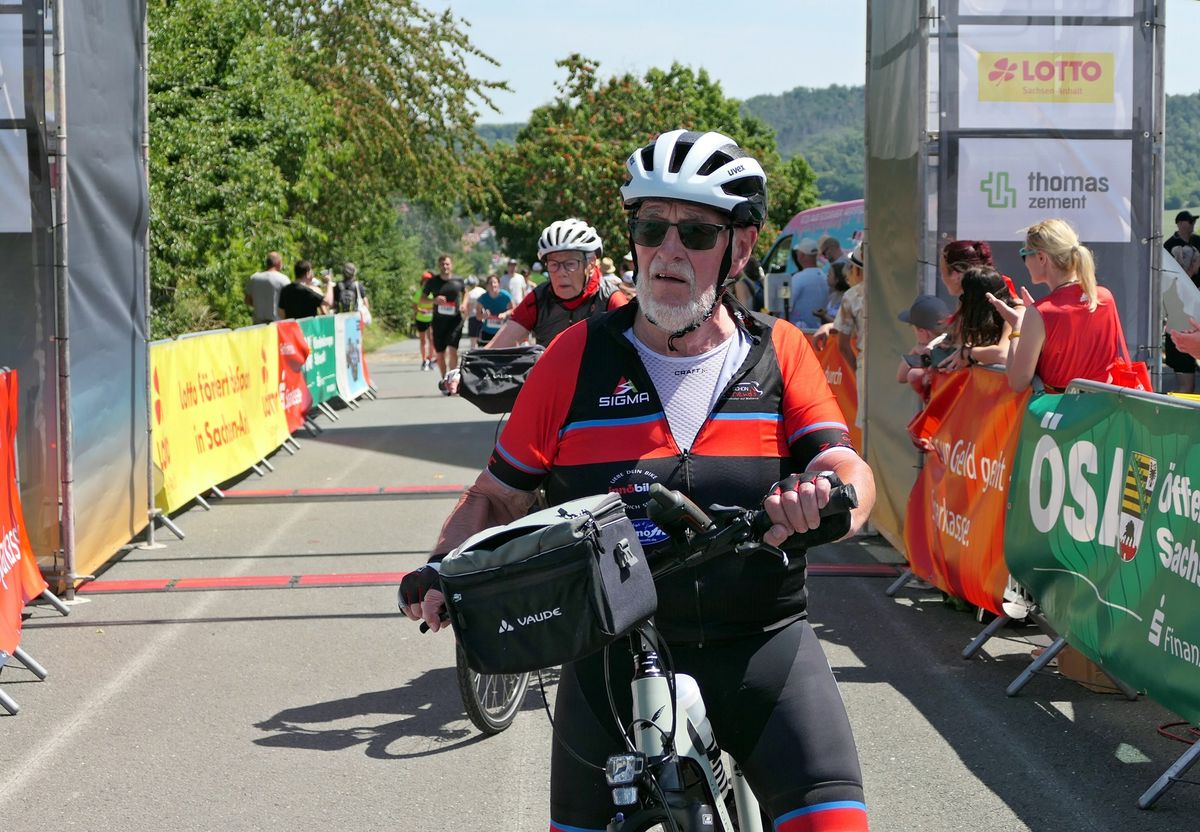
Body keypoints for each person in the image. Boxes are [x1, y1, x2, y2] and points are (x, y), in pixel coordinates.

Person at [400, 129, 875, 832]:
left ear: (742, 246)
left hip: (761, 645)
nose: (667, 251)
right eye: (652, 228)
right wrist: (444, 564)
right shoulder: (573, 358)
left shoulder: (780, 351)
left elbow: (844, 464)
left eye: (696, 232)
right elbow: (497, 493)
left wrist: (830, 497)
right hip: (608, 658)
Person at [987, 218, 1126, 393]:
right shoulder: (1104, 297)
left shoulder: (1040, 313)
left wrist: (1018, 327)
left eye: (1024, 254)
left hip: (1059, 407)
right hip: (1103, 405)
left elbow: (1017, 382)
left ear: (1041, 257)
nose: (1025, 262)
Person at [482, 218, 629, 349]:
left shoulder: (610, 299)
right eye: (553, 264)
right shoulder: (539, 299)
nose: (561, 272)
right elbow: (496, 348)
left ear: (590, 264)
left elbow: (636, 354)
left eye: (570, 264)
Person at [940, 267, 1016, 371]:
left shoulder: (1014, 315)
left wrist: (970, 353)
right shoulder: (994, 320)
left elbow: (1003, 355)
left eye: (964, 297)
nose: (962, 303)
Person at [896, 294, 951, 398]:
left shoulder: (936, 350)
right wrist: (914, 351)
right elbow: (901, 377)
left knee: (914, 374)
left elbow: (903, 377)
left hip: (943, 405)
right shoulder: (928, 349)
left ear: (923, 332)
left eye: (914, 330)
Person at [422, 254, 466, 377]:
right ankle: (444, 379)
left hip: (455, 321)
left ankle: (452, 379)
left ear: (451, 265)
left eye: (447, 264)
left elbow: (465, 292)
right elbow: (422, 299)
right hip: (438, 322)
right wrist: (434, 300)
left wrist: (464, 304)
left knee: (452, 349)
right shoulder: (432, 282)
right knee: (440, 354)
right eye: (442, 264)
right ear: (439, 266)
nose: (445, 266)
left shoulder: (459, 280)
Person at [1164, 245, 1200, 392]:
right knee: (1186, 386)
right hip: (1184, 337)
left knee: (1184, 385)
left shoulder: (1173, 283)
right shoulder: (1186, 287)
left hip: (1177, 336)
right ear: (1192, 263)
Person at [788, 238, 827, 329]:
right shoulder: (825, 277)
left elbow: (786, 305)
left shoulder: (798, 278)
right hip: (820, 331)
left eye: (798, 253)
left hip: (800, 331)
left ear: (801, 255)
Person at [245, 251, 290, 324]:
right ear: (279, 263)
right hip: (277, 323)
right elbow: (289, 302)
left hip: (258, 324)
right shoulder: (283, 279)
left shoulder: (254, 278)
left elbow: (247, 300)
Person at [475, 275, 514, 346]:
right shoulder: (483, 298)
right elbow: (478, 316)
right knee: (487, 352)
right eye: (490, 283)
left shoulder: (506, 296)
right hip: (487, 332)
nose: (493, 285)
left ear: (499, 284)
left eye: (495, 282)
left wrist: (505, 314)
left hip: (502, 331)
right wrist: (484, 316)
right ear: (487, 285)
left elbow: (513, 309)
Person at [413, 271, 436, 371]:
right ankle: (424, 360)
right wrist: (421, 310)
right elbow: (414, 307)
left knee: (431, 339)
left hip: (431, 319)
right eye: (425, 281)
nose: (427, 283)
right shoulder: (419, 293)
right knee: (423, 340)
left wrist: (432, 310)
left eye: (429, 281)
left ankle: (430, 359)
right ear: (422, 281)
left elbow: (437, 305)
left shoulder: (433, 293)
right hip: (421, 319)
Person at [464, 277, 486, 349]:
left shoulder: (470, 293)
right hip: (483, 317)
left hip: (472, 317)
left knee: (473, 340)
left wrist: (465, 317)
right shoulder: (483, 291)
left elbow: (468, 307)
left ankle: (473, 352)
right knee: (482, 339)